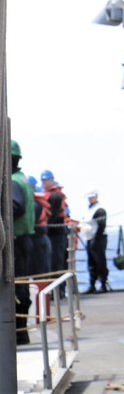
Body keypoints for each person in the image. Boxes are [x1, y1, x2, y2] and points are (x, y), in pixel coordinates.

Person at [11, 140, 36, 344]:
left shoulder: (13, 181)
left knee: (17, 286)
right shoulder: (23, 179)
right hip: (26, 238)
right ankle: (22, 331)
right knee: (22, 285)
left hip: (17, 240)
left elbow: (15, 207)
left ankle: (18, 332)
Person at [78, 189, 109, 293]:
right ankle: (92, 284)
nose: (90, 199)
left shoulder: (100, 210)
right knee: (91, 263)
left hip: (98, 238)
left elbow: (101, 225)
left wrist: (96, 238)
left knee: (100, 262)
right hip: (89, 238)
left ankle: (103, 284)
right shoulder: (90, 210)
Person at [41, 170, 70, 275]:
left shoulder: (55, 196)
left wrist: (42, 228)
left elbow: (52, 216)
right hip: (51, 234)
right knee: (51, 263)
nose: (45, 182)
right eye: (43, 180)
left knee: (57, 263)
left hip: (56, 235)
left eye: (47, 180)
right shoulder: (48, 195)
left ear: (52, 180)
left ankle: (60, 290)